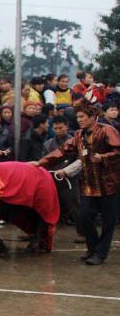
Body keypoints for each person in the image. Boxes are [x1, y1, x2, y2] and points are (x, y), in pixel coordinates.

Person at [36, 100, 120, 265]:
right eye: (78, 117)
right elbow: (62, 151)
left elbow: (118, 151)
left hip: (109, 185)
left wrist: (102, 157)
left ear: (93, 117)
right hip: (88, 185)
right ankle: (94, 248)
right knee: (84, 217)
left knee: (108, 222)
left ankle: (100, 254)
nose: (79, 120)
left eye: (82, 116)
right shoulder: (78, 135)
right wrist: (41, 163)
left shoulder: (107, 130)